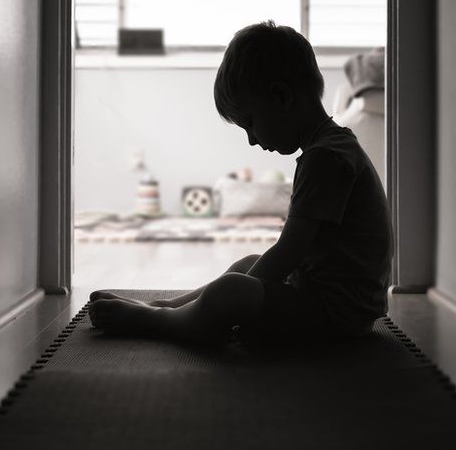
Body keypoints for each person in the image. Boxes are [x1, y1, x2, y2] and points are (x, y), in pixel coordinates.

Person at [88, 21, 393, 345]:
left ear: (281, 96)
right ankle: (165, 307)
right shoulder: (332, 147)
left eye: (250, 124)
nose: (251, 140)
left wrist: (238, 301)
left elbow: (288, 253)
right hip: (331, 300)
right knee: (246, 266)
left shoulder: (326, 158)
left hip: (337, 314)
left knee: (232, 290)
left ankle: (158, 320)